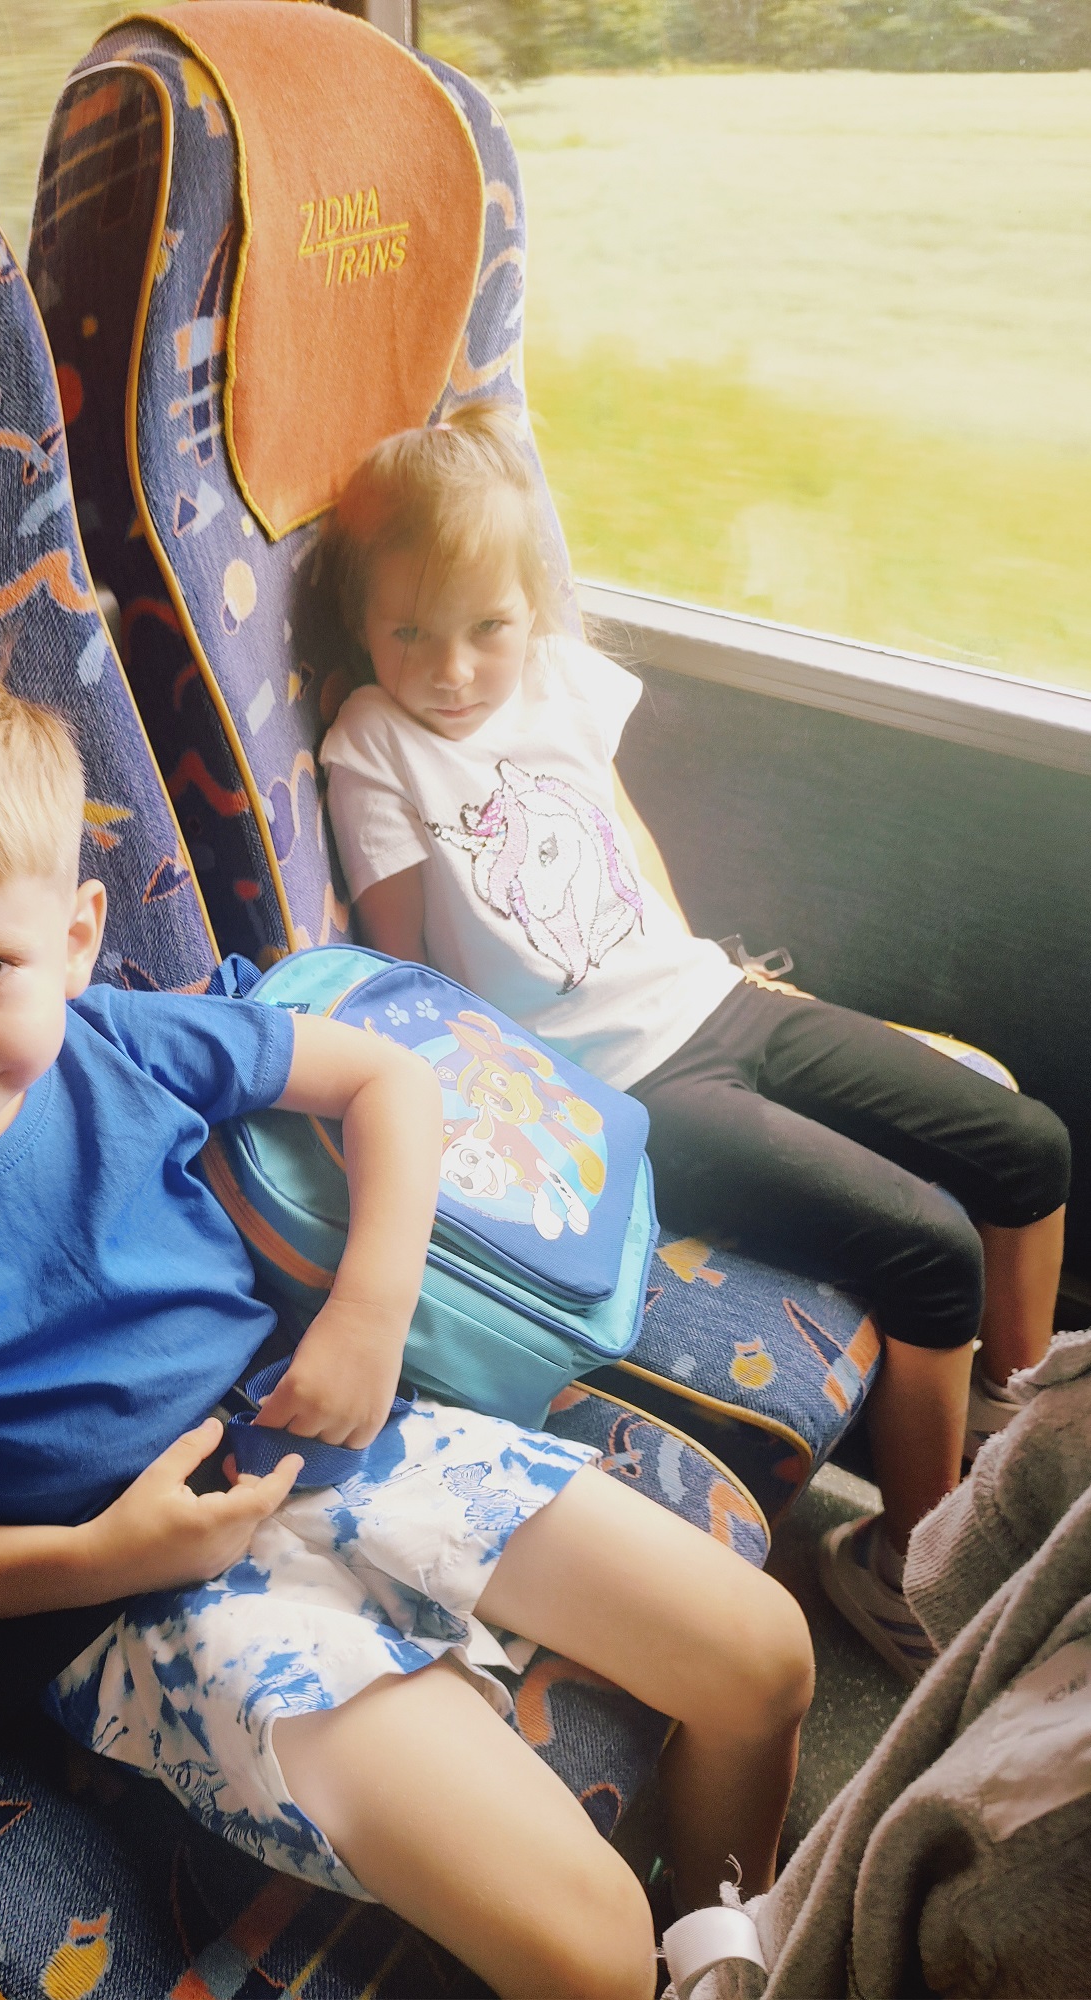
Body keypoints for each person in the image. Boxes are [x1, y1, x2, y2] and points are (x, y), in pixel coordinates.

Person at [0, 659, 813, 2000]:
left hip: (327, 1427)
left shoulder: (122, 1044)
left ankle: (726, 1933)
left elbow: (388, 1081)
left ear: (76, 936)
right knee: (589, 1945)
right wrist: (95, 1554)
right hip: (133, 1604)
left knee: (764, 1658)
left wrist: (367, 1313)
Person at [315, 400, 1072, 1683]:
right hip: (624, 1084)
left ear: (531, 610)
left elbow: (623, 832)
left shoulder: (555, 677)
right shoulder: (375, 746)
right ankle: (909, 1564)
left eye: (488, 626)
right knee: (930, 1247)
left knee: (1028, 1146)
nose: (452, 668)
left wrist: (708, 956)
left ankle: (1008, 1422)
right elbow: (416, 974)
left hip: (713, 998)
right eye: (409, 634)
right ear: (364, 627)